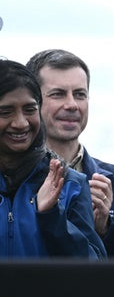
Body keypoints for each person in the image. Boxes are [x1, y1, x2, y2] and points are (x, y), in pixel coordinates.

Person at [26, 49, 114, 257]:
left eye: (80, 94)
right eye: (58, 94)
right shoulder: (12, 181)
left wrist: (105, 228)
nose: (72, 105)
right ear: (32, 100)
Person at [0, 59, 106, 258]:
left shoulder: (69, 183)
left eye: (30, 110)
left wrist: (52, 216)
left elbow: (94, 268)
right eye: (5, 112)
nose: (21, 123)